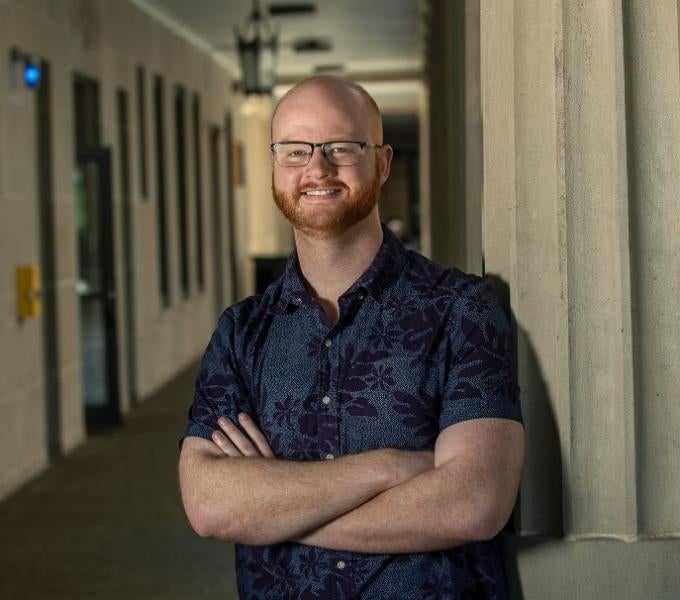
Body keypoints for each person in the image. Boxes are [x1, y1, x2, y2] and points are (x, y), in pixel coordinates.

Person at [179, 75, 525, 599]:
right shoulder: (241, 332)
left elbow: (473, 503)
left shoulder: (460, 310)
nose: (317, 169)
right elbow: (209, 505)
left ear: (382, 163)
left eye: (341, 147)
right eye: (295, 151)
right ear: (274, 167)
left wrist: (271, 510)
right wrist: (389, 468)